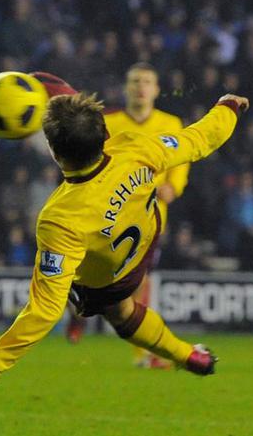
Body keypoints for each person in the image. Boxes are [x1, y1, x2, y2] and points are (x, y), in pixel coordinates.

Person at [0, 92, 248, 394]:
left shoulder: (59, 218)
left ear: (55, 153)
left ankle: (183, 354)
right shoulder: (134, 148)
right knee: (123, 310)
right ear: (103, 132)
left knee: (120, 312)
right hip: (147, 238)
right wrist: (228, 106)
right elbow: (201, 138)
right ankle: (192, 356)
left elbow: (45, 310)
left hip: (107, 276)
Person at [69, 63, 188, 369]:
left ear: (156, 89)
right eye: (135, 81)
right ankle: (79, 313)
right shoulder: (108, 122)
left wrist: (172, 187)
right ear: (126, 87)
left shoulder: (170, 123)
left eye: (147, 81)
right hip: (105, 216)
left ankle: (144, 354)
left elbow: (180, 164)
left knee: (137, 285)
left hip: (146, 222)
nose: (140, 87)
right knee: (84, 275)